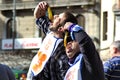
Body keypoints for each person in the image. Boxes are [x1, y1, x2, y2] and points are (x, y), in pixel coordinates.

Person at [27, 1, 78, 80]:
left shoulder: (63, 54)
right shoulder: (51, 33)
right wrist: (39, 9)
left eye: (59, 18)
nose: (54, 16)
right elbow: (39, 18)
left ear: (61, 29)